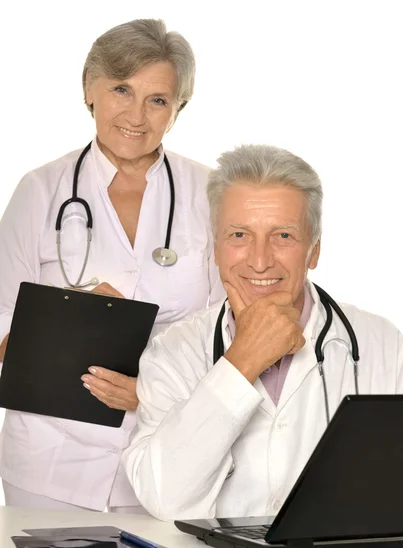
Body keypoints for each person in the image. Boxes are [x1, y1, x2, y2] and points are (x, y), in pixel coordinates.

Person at [0, 19, 224, 512]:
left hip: (167, 460)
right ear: (89, 88)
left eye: (158, 99)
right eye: (121, 89)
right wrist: (67, 319)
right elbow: (1, 335)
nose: (137, 115)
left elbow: (227, 331)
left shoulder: (212, 195)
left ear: (178, 108)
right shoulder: (39, 192)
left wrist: (151, 390)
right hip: (50, 464)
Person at [122, 144, 403, 520]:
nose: (259, 260)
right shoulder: (173, 352)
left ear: (314, 251)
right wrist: (242, 361)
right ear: (216, 250)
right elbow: (166, 501)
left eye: (283, 236)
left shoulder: (381, 345)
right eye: (239, 235)